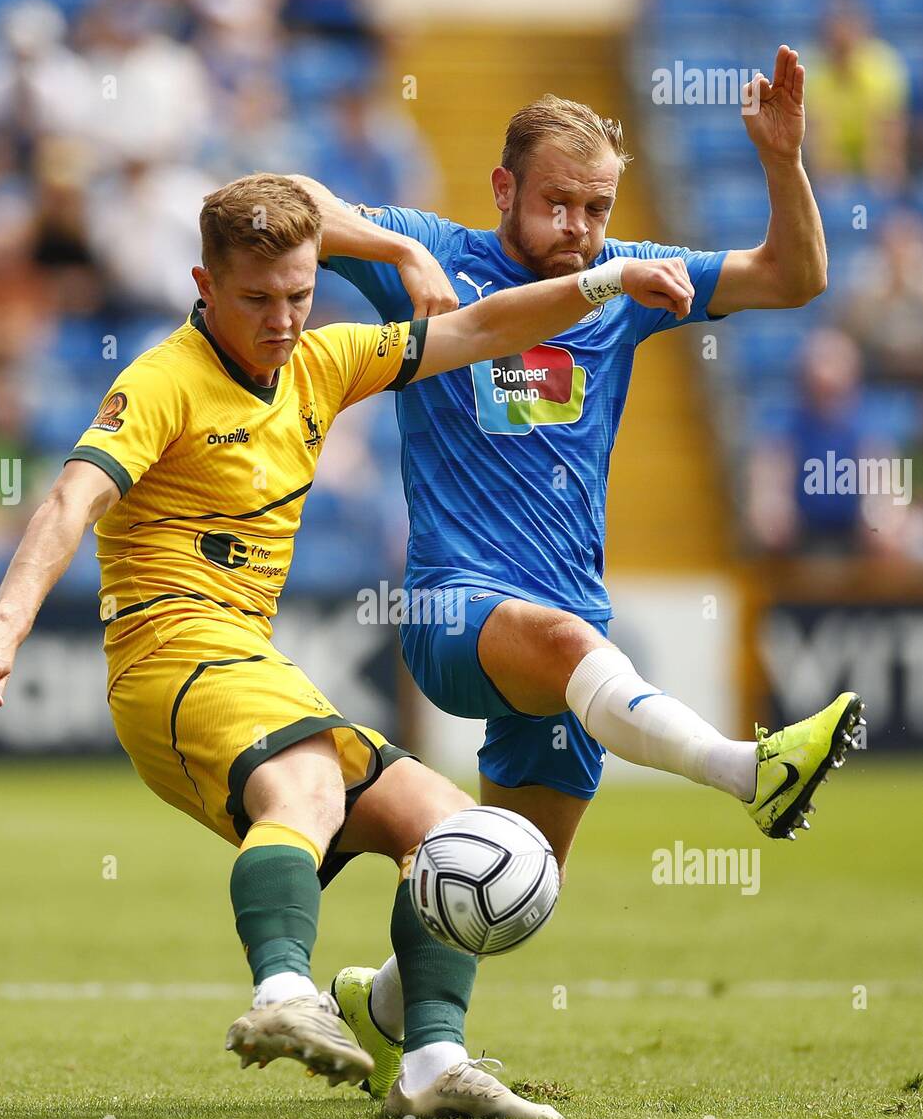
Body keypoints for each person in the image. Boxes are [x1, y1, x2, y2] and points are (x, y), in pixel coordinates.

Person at [0, 171, 705, 1119]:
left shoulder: (325, 361)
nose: (283, 319)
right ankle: (284, 994)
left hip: (248, 659)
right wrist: (7, 624)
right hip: (167, 658)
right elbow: (71, 498)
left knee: (456, 830)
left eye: (299, 294)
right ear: (204, 285)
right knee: (309, 786)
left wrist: (604, 284)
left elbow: (487, 331)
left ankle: (428, 1064)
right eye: (256, 299)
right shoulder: (163, 381)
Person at [288, 46, 863, 888]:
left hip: (571, 616)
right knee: (567, 643)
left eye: (596, 209)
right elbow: (288, 201)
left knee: (511, 886)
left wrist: (781, 161)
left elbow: (793, 277)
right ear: (502, 191)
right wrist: (397, 253)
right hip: (456, 607)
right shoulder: (436, 255)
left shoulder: (625, 276)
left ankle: (378, 1007)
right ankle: (750, 772)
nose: (578, 230)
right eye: (557, 204)